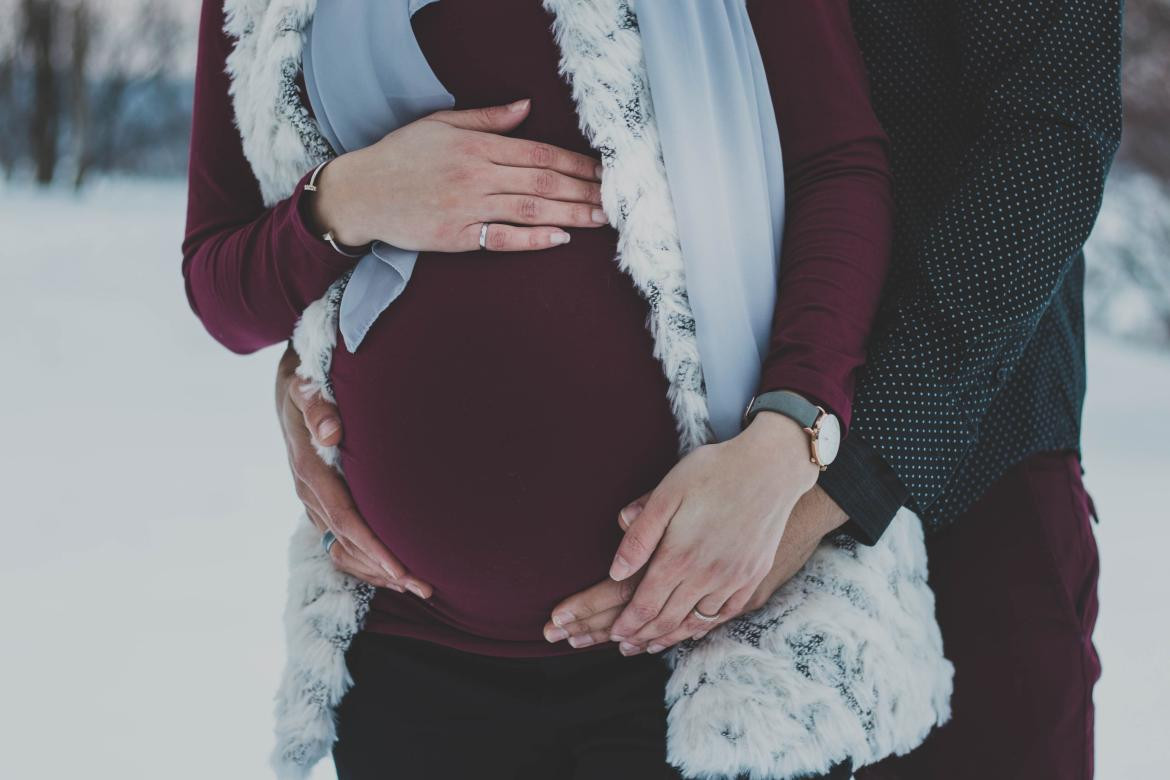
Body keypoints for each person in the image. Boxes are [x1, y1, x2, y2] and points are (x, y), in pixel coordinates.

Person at [275, 0, 1123, 778]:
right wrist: (319, 362)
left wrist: (828, 478)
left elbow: (1053, 132)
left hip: (950, 448)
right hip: (656, 487)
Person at [184, 0, 894, 778]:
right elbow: (221, 289)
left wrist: (788, 438)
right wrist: (349, 199)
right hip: (409, 656)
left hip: (712, 646)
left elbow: (837, 165)